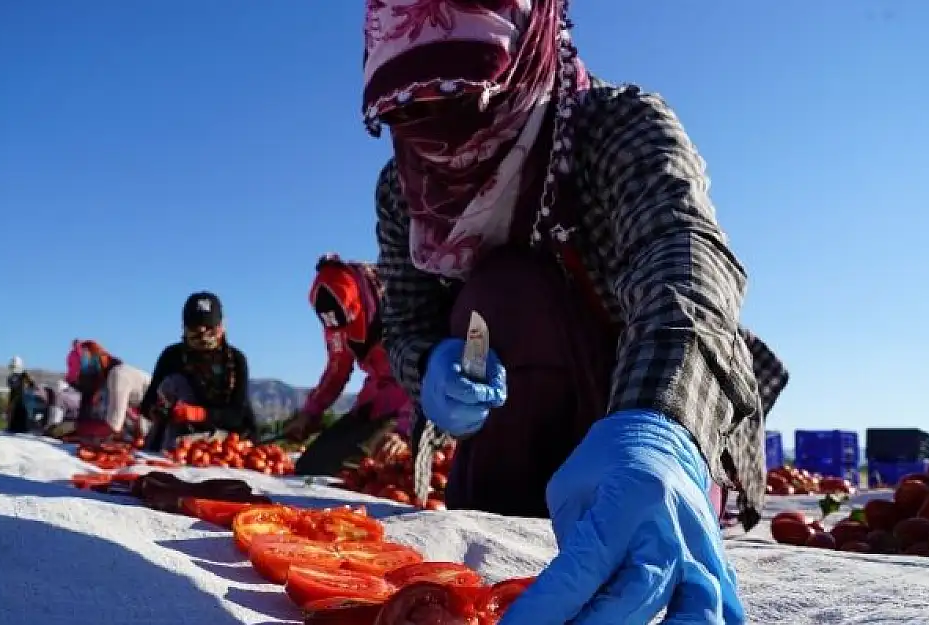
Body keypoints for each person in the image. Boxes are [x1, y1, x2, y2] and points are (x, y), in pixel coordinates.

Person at [363, 1, 790, 622]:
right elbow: (405, 317)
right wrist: (428, 363)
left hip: (631, 401)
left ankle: (646, 498)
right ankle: (507, 523)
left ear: (527, 49)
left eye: (457, 89)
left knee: (513, 291)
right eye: (404, 107)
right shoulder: (403, 187)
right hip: (506, 437)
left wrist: (661, 428)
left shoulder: (617, 126)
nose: (432, 128)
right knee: (502, 293)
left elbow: (685, 261)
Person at [279, 254, 412, 476]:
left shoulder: (399, 308)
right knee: (310, 467)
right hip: (373, 404)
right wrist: (310, 413)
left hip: (414, 406)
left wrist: (406, 430)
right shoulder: (335, 319)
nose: (344, 332)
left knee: (359, 469)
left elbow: (426, 376)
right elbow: (337, 369)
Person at [139, 292, 258, 451]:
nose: (203, 336)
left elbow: (236, 415)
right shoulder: (171, 356)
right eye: (195, 329)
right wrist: (159, 411)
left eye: (210, 329)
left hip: (225, 433)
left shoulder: (236, 360)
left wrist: (199, 414)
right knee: (174, 382)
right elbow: (147, 403)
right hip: (176, 429)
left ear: (222, 326)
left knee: (182, 445)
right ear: (184, 328)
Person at [63, 340, 151, 441]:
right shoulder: (101, 383)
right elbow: (85, 419)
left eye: (81, 379)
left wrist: (80, 432)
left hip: (156, 425)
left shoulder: (118, 375)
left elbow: (114, 425)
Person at [4, 357, 36, 433]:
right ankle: (14, 427)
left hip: (21, 400)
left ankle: (20, 427)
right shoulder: (12, 377)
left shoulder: (23, 375)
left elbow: (32, 385)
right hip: (15, 399)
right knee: (15, 414)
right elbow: (13, 386)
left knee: (22, 414)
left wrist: (27, 378)